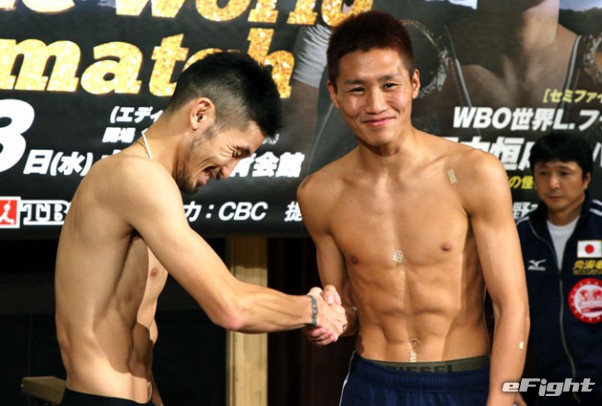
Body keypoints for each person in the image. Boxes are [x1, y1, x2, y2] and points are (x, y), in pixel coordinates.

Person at [54, 50, 347, 406]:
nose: (229, 172)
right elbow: (231, 306)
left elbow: (136, 334)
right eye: (235, 151)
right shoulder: (134, 175)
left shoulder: (150, 184)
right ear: (200, 114)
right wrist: (314, 310)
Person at [297, 10, 530, 405]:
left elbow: (512, 307)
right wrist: (326, 319)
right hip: (373, 384)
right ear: (334, 94)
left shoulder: (475, 173)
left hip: (463, 382)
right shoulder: (319, 194)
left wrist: (501, 398)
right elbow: (348, 313)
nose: (375, 105)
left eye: (390, 85)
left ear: (414, 83)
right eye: (357, 89)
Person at [516, 131, 602, 405]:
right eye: (544, 173)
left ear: (586, 178)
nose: (553, 183)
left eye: (564, 173)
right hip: (543, 388)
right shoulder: (519, 235)